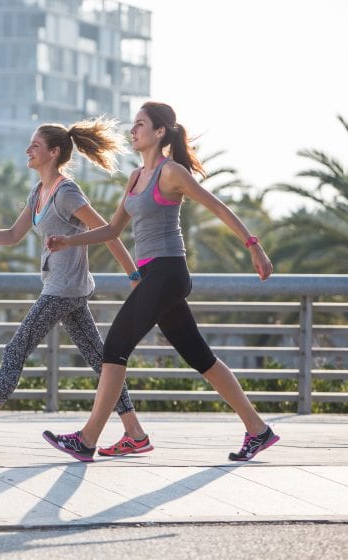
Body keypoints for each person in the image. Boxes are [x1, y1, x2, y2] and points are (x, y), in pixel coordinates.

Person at [42, 101, 280, 463]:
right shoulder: (136, 177)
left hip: (169, 271)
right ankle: (258, 430)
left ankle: (87, 439)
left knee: (114, 348)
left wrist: (253, 246)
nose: (133, 131)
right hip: (154, 275)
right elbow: (112, 229)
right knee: (202, 357)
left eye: (140, 125)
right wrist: (68, 240)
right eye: (133, 125)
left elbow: (217, 207)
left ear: (159, 132)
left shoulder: (171, 173)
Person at [0, 117, 153, 461]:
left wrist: (134, 275)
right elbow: (12, 235)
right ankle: (135, 433)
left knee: (16, 349)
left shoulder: (67, 192)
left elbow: (108, 231)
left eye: (35, 146)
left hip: (64, 289)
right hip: (63, 287)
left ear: (53, 153)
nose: (28, 150)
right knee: (102, 360)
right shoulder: (38, 192)